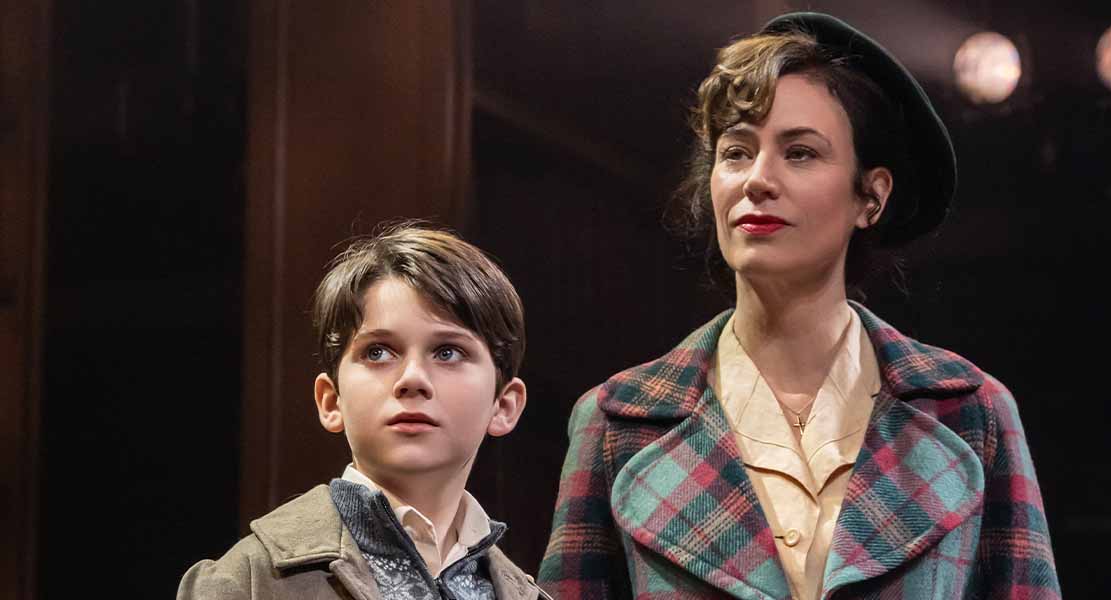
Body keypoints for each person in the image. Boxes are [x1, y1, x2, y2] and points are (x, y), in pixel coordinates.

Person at [538, 12, 1061, 600]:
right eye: (736, 152)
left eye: (801, 153)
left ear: (871, 197)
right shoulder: (619, 422)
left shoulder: (969, 413)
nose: (757, 180)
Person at [179, 223, 548, 599]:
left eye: (448, 352)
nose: (412, 379)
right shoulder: (246, 583)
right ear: (330, 400)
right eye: (378, 352)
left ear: (504, 406)